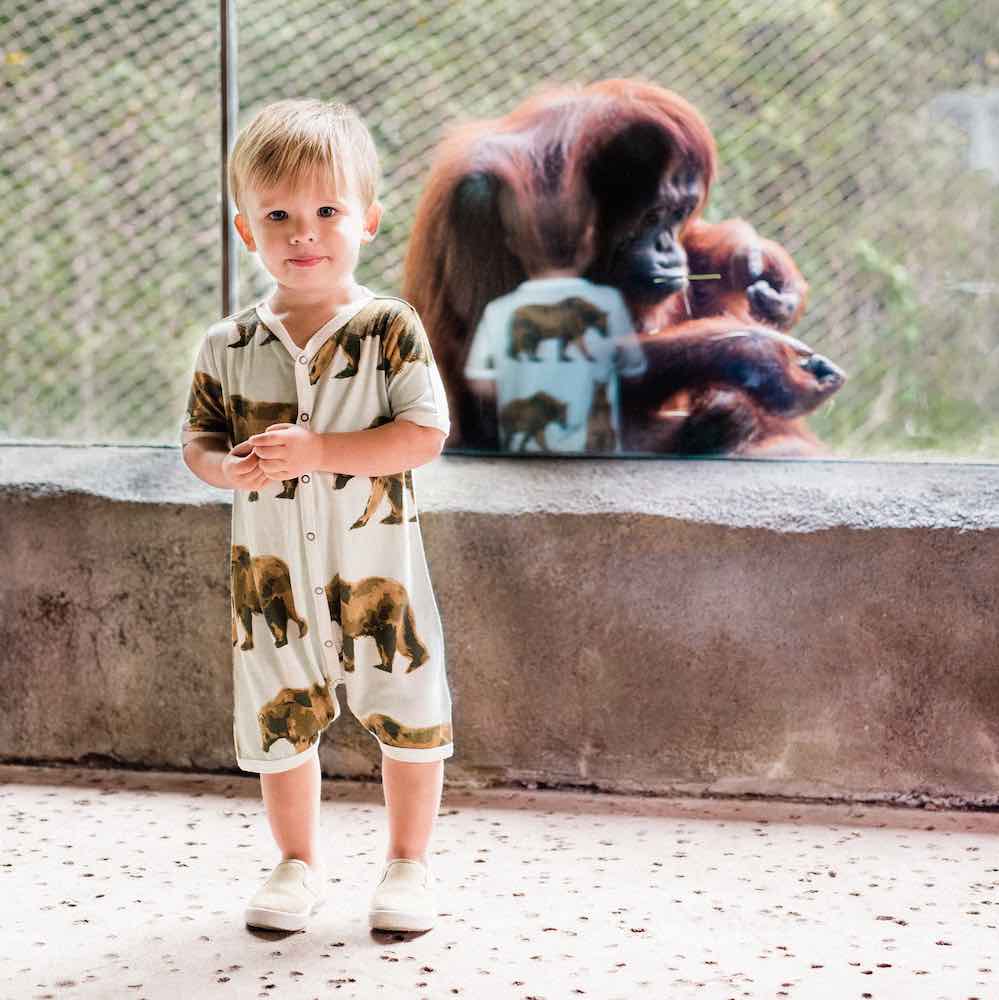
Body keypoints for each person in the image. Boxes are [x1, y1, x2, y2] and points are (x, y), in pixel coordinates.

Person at [180, 98, 453, 935]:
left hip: (378, 573)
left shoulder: (388, 330)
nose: (304, 233)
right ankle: (296, 862)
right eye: (279, 216)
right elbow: (198, 439)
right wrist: (225, 467)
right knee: (279, 718)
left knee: (407, 711)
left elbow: (422, 435)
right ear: (245, 228)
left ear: (368, 219)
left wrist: (320, 451)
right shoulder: (226, 345)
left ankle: (407, 864)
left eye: (327, 211)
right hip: (271, 588)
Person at [463, 226, 648, 454]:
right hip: (596, 463)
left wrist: (516, 380)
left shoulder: (498, 309)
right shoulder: (609, 301)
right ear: (589, 244)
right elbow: (635, 371)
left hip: (521, 467)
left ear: (514, 247)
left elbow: (479, 382)